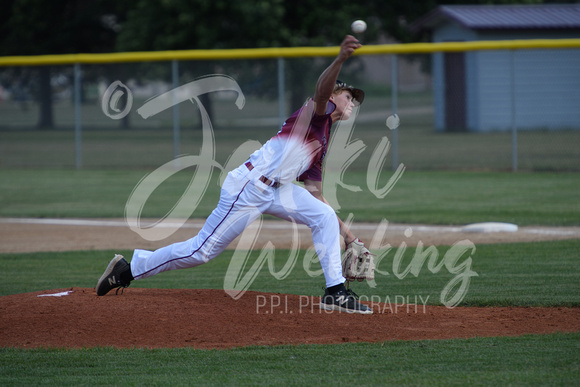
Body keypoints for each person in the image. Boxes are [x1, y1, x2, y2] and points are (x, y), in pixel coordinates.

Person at [96, 35, 373, 314]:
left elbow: (315, 192)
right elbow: (322, 90)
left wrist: (349, 236)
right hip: (249, 187)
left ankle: (335, 292)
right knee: (200, 252)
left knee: (323, 215)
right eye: (348, 95)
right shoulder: (316, 112)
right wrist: (339, 59)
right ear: (334, 96)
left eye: (354, 100)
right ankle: (127, 270)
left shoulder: (322, 141)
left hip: (278, 189)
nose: (352, 102)